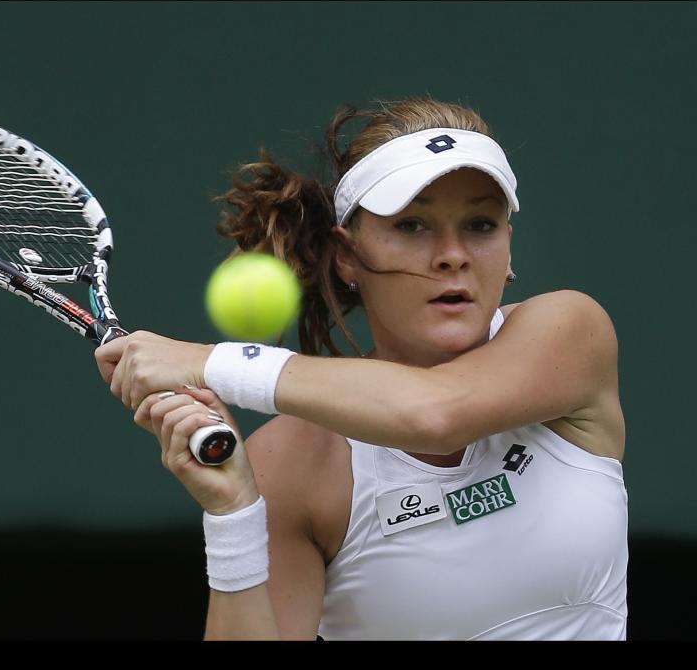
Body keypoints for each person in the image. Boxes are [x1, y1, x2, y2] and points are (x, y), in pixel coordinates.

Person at [94, 98, 628, 640]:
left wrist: (211, 362)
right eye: (413, 224)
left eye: (481, 224)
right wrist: (235, 516)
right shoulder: (293, 462)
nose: (452, 255)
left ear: (509, 246)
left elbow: (436, 411)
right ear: (347, 255)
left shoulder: (570, 330)